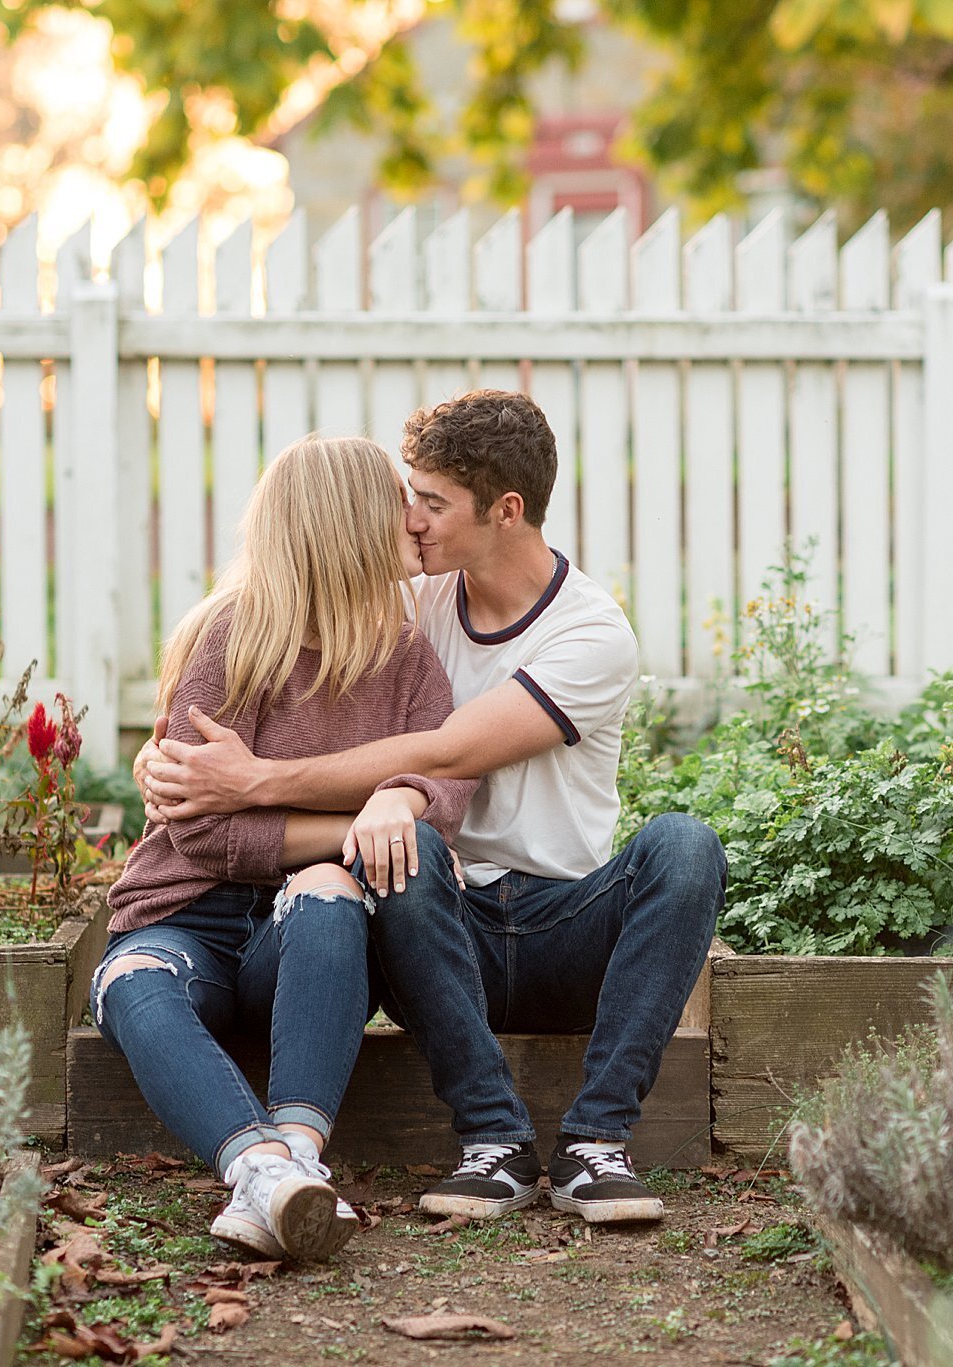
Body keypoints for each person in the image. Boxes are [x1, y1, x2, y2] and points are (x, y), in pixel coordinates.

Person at [138, 390, 726, 1226]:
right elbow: (291, 640)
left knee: (686, 845)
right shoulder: (411, 602)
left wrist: (255, 779)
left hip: (563, 924)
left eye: (432, 502)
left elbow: (449, 754)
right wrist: (169, 758)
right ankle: (494, 1140)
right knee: (406, 848)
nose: (408, 519)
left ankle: (597, 1141)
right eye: (408, 494)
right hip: (434, 924)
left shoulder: (592, 633)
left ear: (506, 511)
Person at [92, 436, 476, 1263]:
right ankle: (265, 1170)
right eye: (394, 504)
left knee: (330, 891)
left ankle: (299, 1154)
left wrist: (374, 818)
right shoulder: (233, 638)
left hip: (301, 948)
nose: (412, 521)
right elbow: (196, 825)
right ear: (347, 526)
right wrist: (349, 826)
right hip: (182, 917)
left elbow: (440, 798)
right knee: (130, 979)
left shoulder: (409, 659)